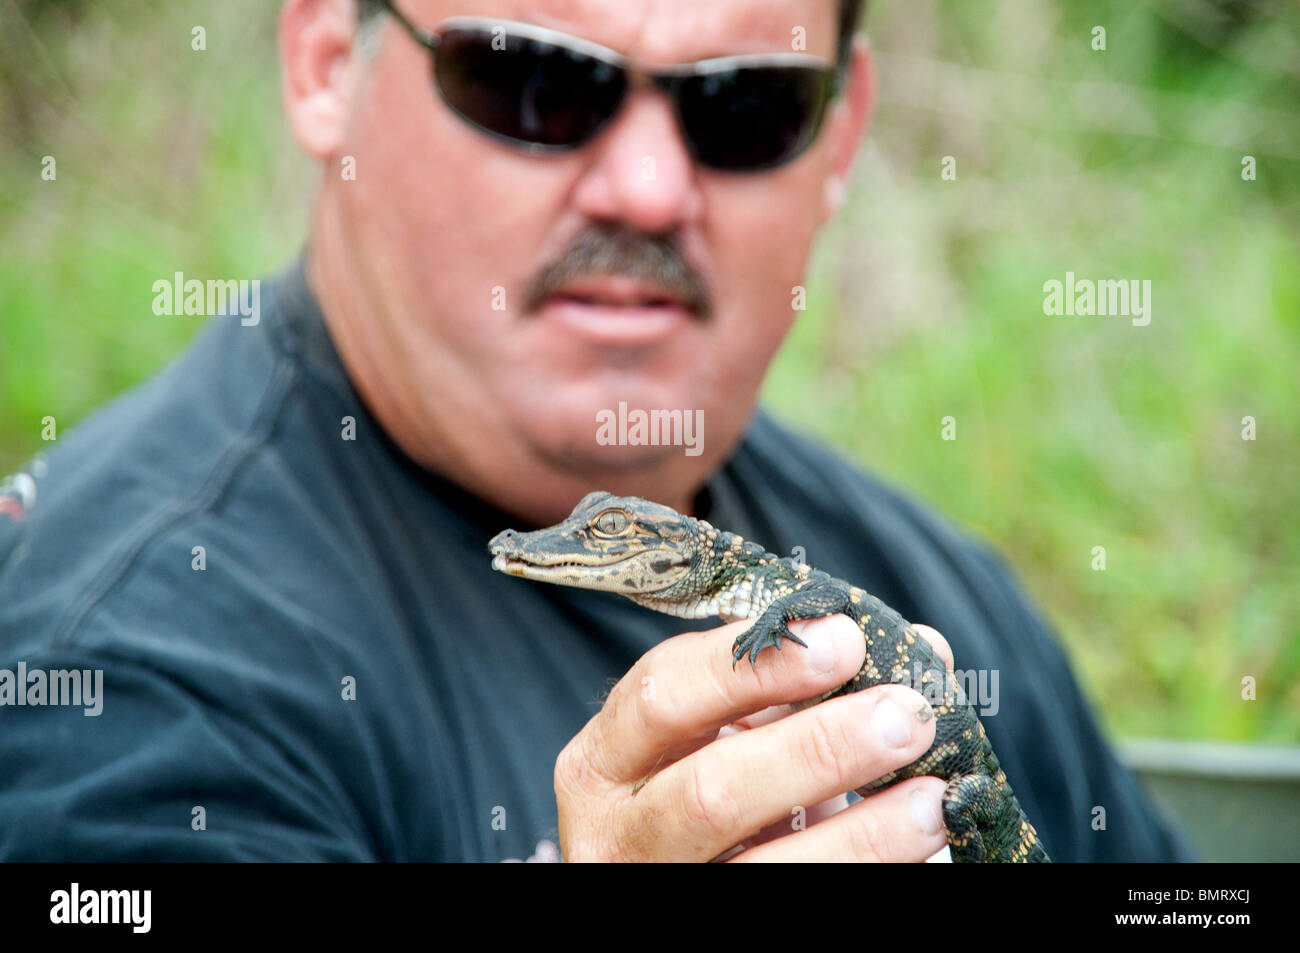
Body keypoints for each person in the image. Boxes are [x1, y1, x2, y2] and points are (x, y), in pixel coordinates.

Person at [0, 0, 1193, 861]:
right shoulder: (118, 674)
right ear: (324, 64)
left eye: (745, 103)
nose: (647, 186)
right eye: (535, 80)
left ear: (840, 133)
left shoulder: (945, 595)